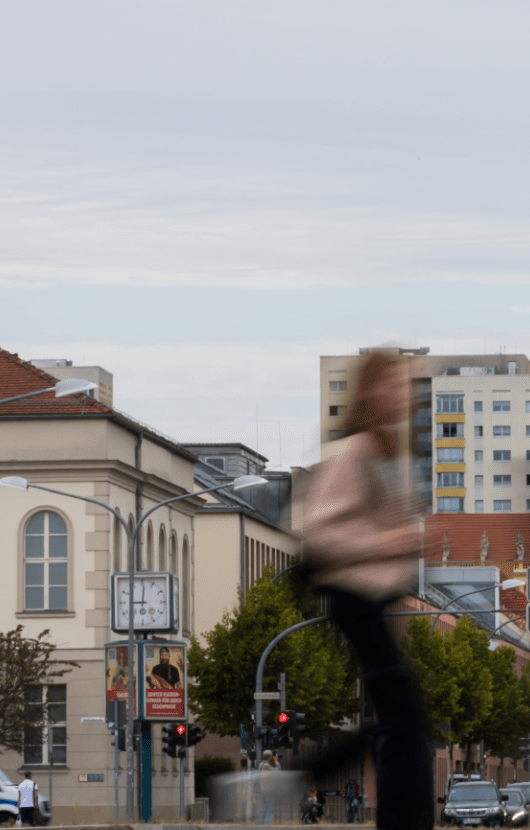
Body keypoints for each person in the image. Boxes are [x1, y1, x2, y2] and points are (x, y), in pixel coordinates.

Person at [218, 351, 432, 830]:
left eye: (410, 387)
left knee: (399, 722)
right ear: (372, 390)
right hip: (351, 596)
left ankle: (289, 779)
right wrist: (394, 541)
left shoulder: (384, 453)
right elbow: (319, 532)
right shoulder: (356, 451)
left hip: (371, 600)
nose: (407, 396)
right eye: (397, 384)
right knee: (407, 721)